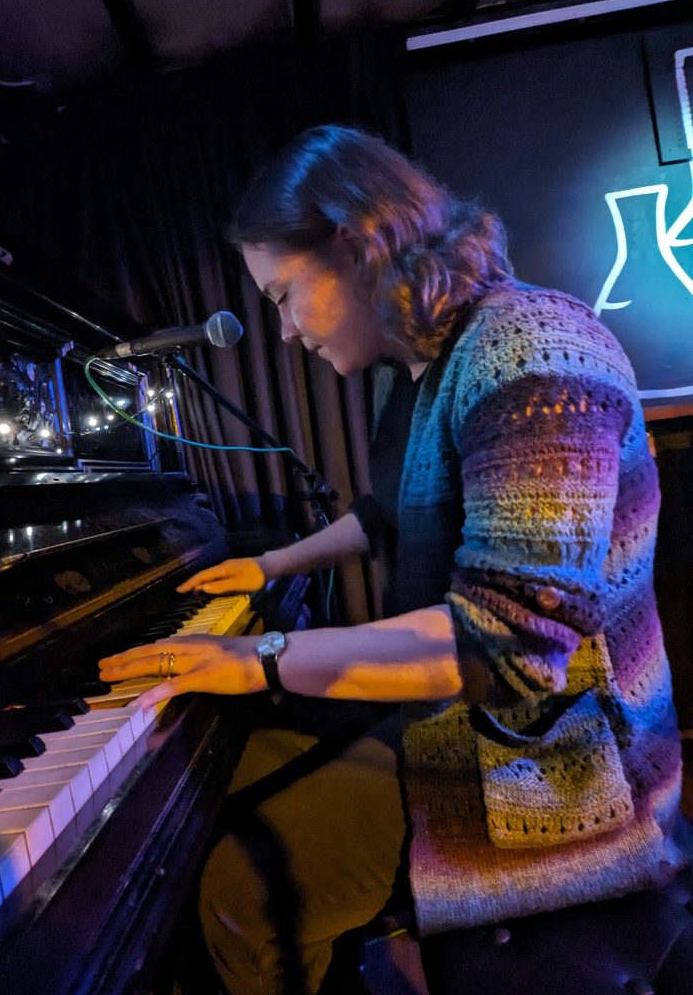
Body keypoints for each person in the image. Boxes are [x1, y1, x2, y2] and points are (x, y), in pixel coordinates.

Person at [98, 125, 691, 995]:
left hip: (553, 762)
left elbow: (510, 650)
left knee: (238, 886)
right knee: (207, 779)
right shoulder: (423, 366)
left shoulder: (530, 350)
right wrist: (272, 569)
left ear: (356, 241)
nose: (286, 330)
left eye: (285, 293)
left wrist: (259, 658)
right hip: (461, 718)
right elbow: (393, 512)